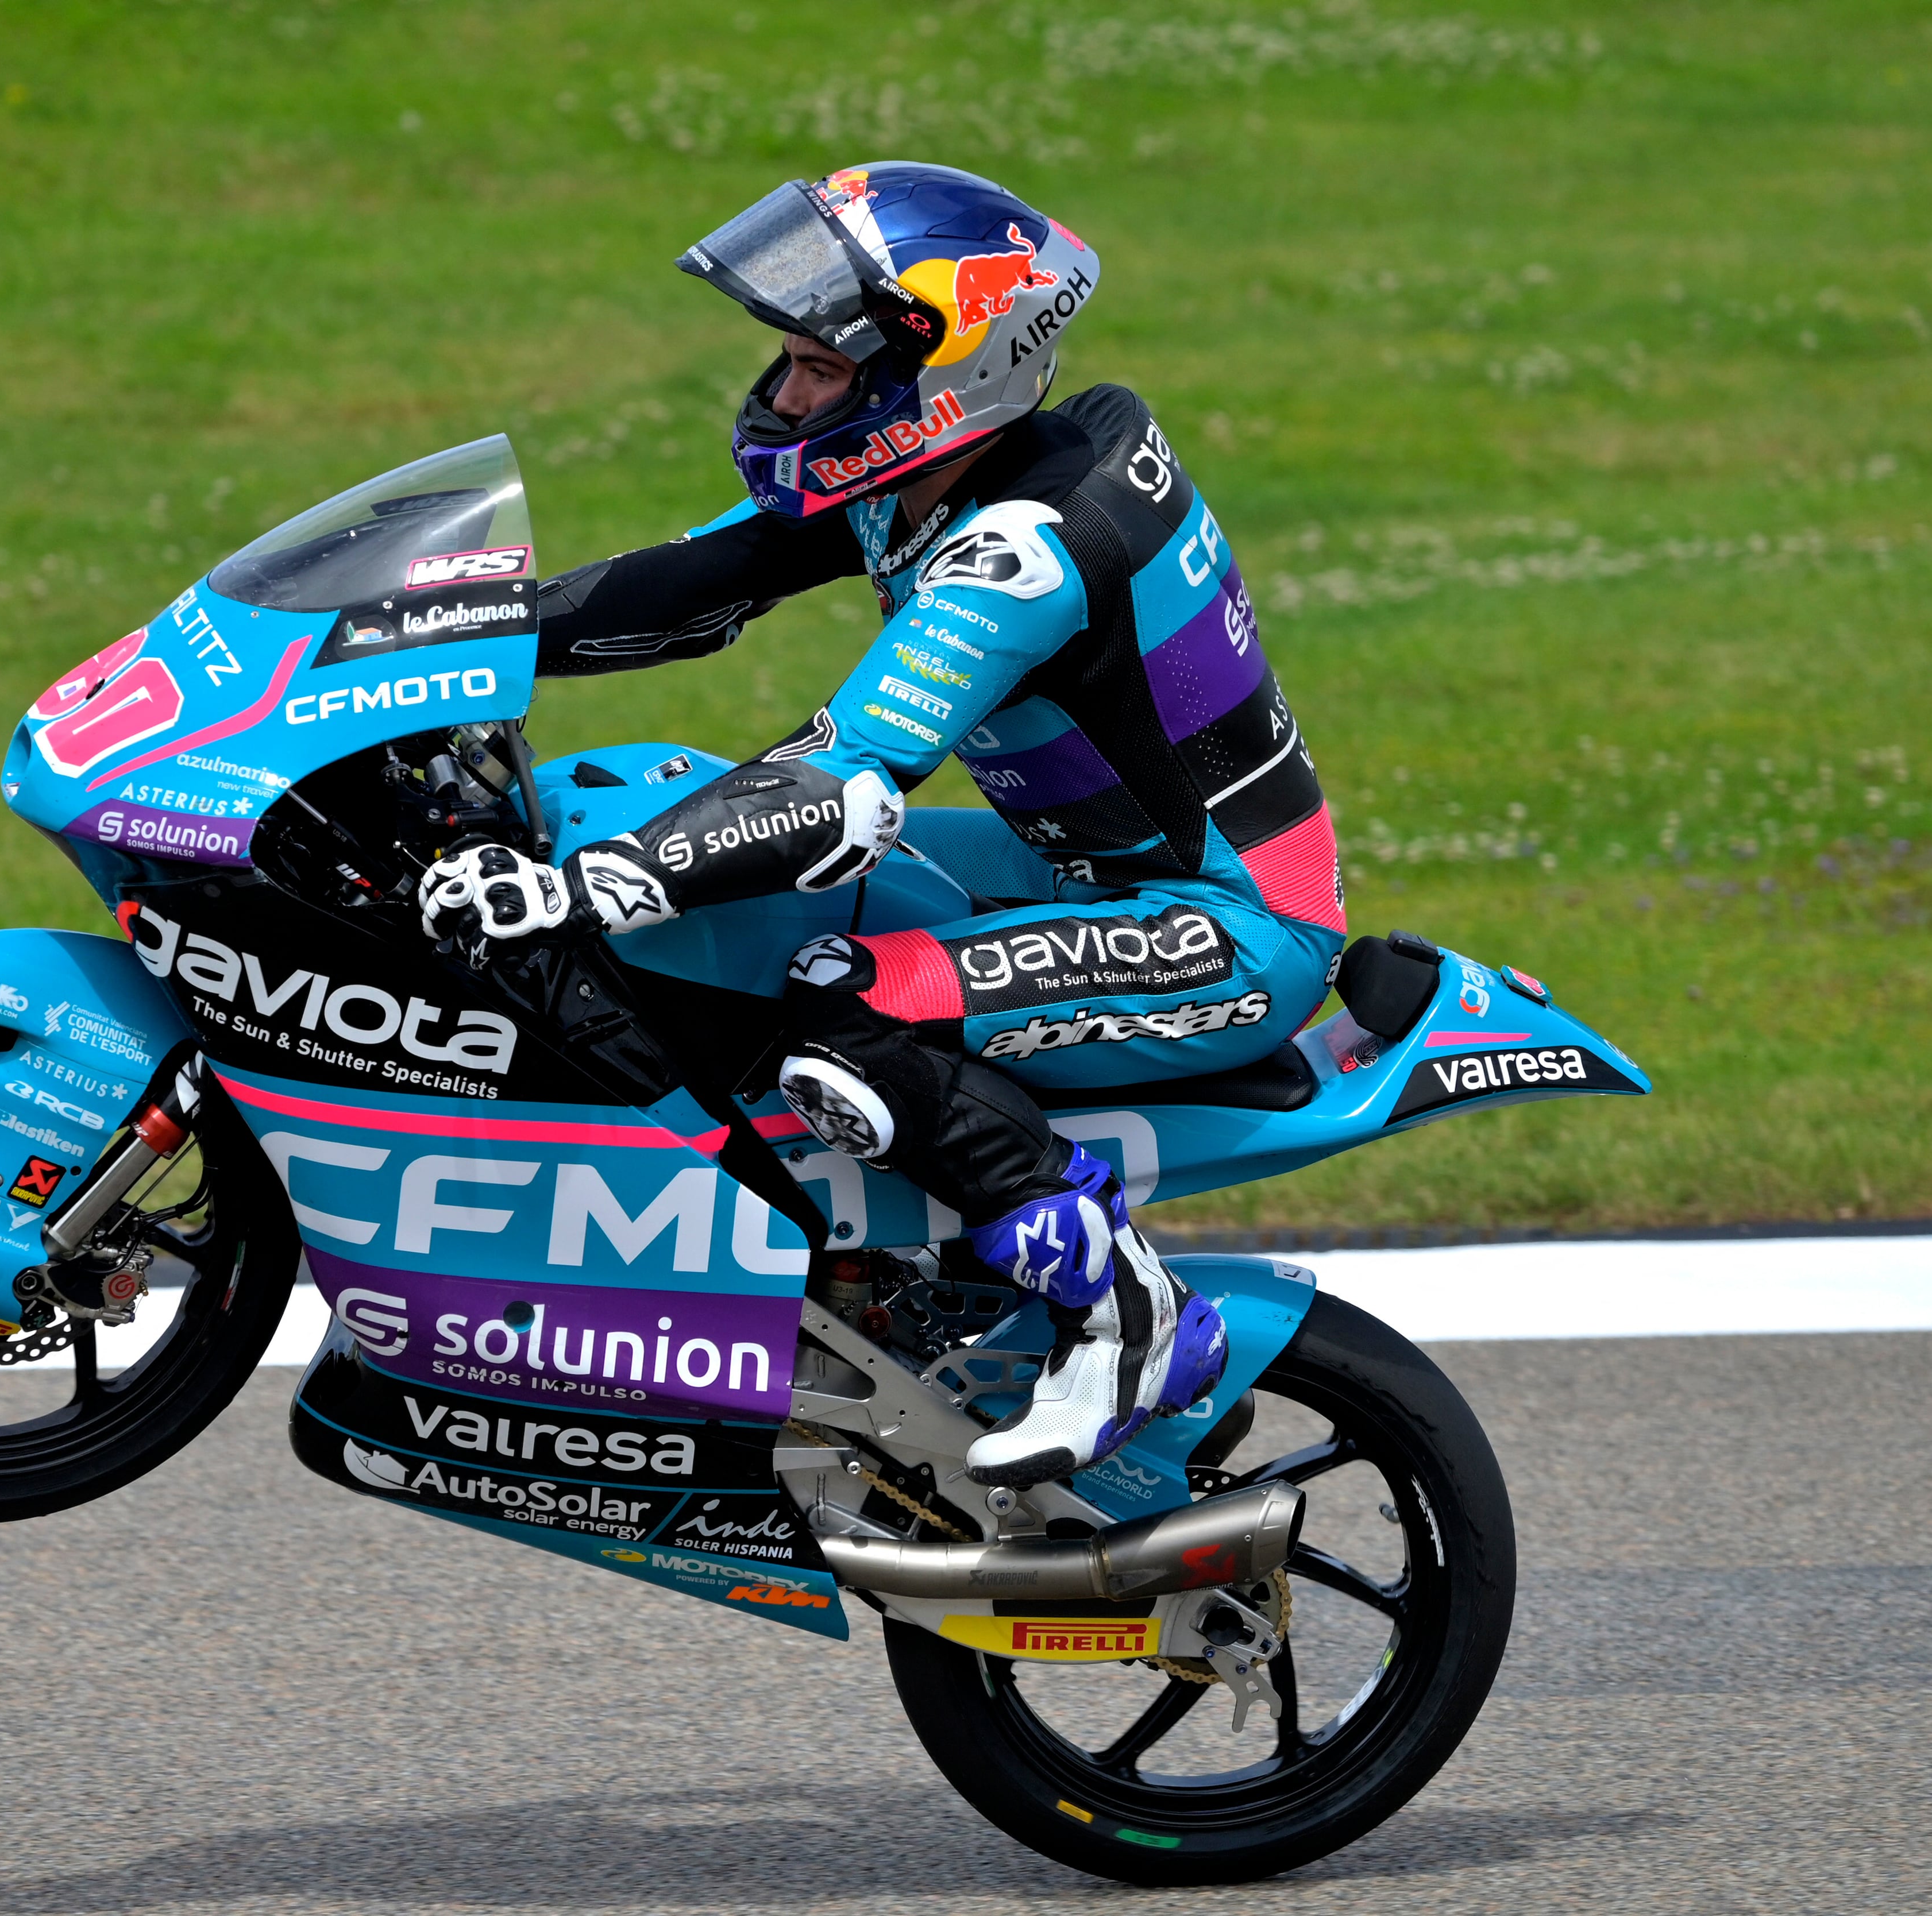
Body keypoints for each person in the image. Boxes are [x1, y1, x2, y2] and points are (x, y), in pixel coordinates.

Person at [417, 164, 1348, 1489]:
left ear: (941, 373)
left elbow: (840, 784)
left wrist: (583, 892)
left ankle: (1123, 1311)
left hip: (1228, 933)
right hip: (1075, 868)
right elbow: (697, 585)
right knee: (699, 890)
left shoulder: (1024, 548)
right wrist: (420, 641)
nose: (786, 396)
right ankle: (863, 1284)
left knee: (842, 1003)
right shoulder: (929, 470)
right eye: (788, 362)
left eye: (816, 366)